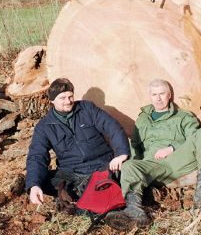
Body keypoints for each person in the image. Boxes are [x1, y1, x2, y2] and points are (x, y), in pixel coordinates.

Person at [109, 79, 201, 226]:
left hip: (178, 160)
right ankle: (134, 210)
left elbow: (194, 139)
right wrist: (134, 167)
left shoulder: (183, 116)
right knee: (129, 166)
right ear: (150, 96)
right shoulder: (142, 119)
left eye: (162, 94)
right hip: (152, 165)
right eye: (154, 94)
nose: (158, 98)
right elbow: (135, 145)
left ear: (169, 95)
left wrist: (172, 147)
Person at [26, 78, 130, 206]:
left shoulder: (87, 109)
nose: (68, 101)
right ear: (52, 100)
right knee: (38, 180)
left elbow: (112, 127)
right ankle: (85, 190)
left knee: (123, 171)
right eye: (62, 98)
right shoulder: (44, 126)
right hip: (71, 172)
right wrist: (34, 185)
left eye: (70, 96)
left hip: (101, 165)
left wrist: (121, 154)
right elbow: (37, 156)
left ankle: (86, 192)